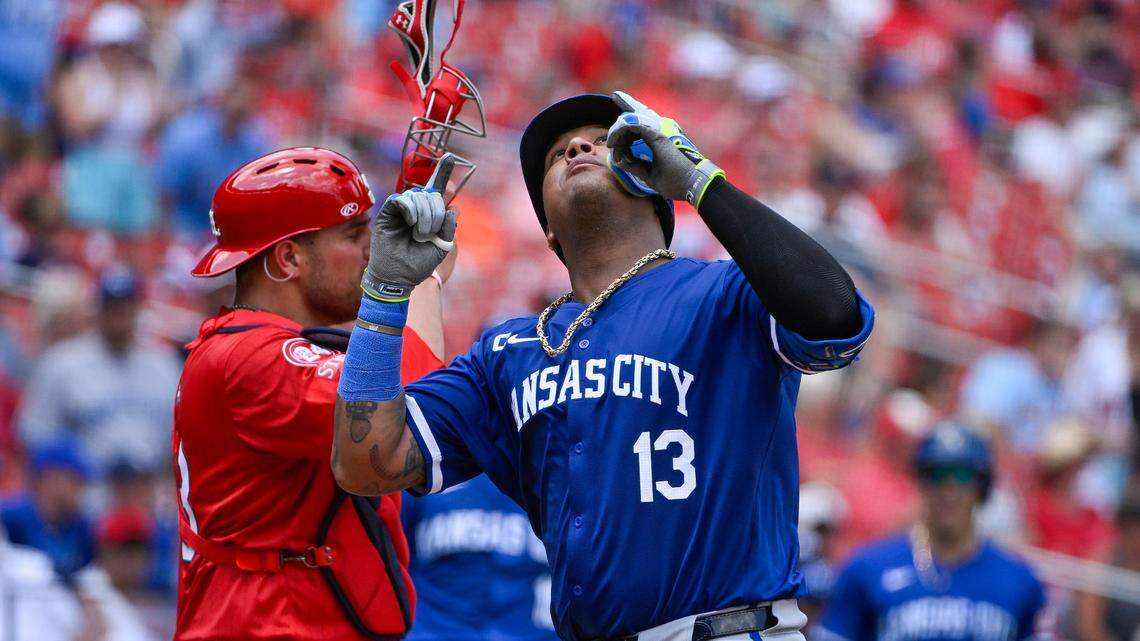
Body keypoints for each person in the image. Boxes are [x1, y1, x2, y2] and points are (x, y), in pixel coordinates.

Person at [333, 92, 875, 641]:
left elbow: (837, 316)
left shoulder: (725, 292)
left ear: (652, 187)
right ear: (547, 230)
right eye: (555, 156)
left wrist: (700, 182)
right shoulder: (508, 350)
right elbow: (367, 462)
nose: (576, 147)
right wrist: (385, 292)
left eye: (601, 140)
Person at [173, 147, 451, 640]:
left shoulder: (258, 346)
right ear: (288, 258)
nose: (373, 248)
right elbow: (406, 407)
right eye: (353, 234)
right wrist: (419, 279)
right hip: (266, 623)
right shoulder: (248, 356)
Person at [816, 422, 1047, 641]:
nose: (949, 489)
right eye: (936, 474)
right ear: (921, 483)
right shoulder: (868, 568)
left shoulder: (1018, 579)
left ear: (981, 487)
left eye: (962, 475)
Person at [17, 266, 182, 475]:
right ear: (97, 308)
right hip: (87, 496)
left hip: (151, 494)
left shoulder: (165, 366)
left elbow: (182, 445)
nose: (118, 314)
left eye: (125, 305)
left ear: (140, 308)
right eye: (111, 306)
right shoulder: (61, 363)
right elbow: (35, 437)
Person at [402, 473, 558, 641]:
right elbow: (394, 565)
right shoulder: (427, 474)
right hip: (435, 631)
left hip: (530, 632)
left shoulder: (559, 486)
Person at [0, 442, 96, 579]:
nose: (81, 491)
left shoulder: (82, 528)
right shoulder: (11, 519)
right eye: (76, 481)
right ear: (51, 478)